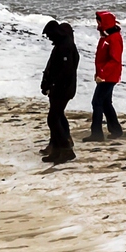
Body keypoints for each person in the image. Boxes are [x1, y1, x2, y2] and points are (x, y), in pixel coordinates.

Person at [39, 19, 78, 162]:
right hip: (60, 89)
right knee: (55, 118)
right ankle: (56, 151)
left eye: (49, 35)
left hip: (63, 90)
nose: (49, 38)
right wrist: (47, 84)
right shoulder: (62, 45)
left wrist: (53, 85)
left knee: (53, 119)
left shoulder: (65, 46)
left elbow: (65, 72)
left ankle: (66, 149)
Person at [84, 10, 123, 142]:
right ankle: (116, 130)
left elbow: (115, 59)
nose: (97, 24)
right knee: (106, 103)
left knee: (97, 102)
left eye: (99, 21)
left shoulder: (113, 38)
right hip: (106, 74)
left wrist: (102, 74)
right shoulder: (106, 37)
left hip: (109, 75)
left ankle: (97, 133)